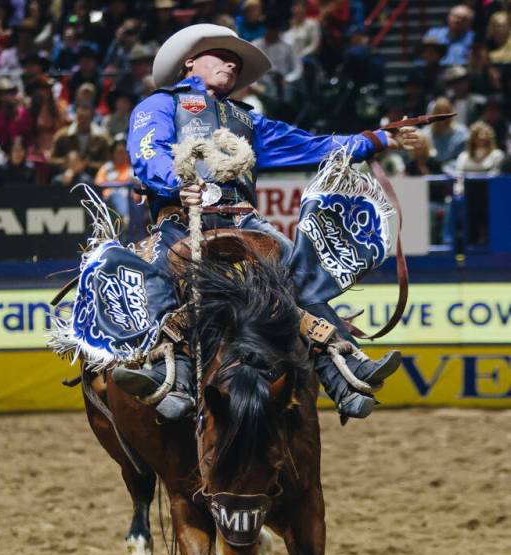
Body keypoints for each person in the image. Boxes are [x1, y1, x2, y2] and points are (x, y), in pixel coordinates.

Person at [114, 24, 418, 421]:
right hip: (182, 217)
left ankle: (344, 367)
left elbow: (311, 145)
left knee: (297, 268)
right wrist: (176, 185)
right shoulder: (160, 105)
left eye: (236, 64)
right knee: (157, 270)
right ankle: (169, 374)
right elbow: (150, 149)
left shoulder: (248, 121)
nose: (230, 65)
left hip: (243, 221)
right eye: (222, 56)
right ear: (190, 61)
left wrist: (379, 139)